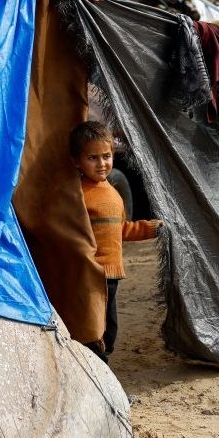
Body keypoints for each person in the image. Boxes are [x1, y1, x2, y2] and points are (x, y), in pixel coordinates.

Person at [69, 121, 162, 362]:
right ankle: (97, 367)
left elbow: (120, 229)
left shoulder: (112, 192)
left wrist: (152, 228)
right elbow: (69, 233)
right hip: (90, 273)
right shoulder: (77, 194)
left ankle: (102, 362)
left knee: (110, 327)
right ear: (77, 161)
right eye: (92, 158)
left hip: (111, 274)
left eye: (106, 156)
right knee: (93, 326)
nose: (101, 164)